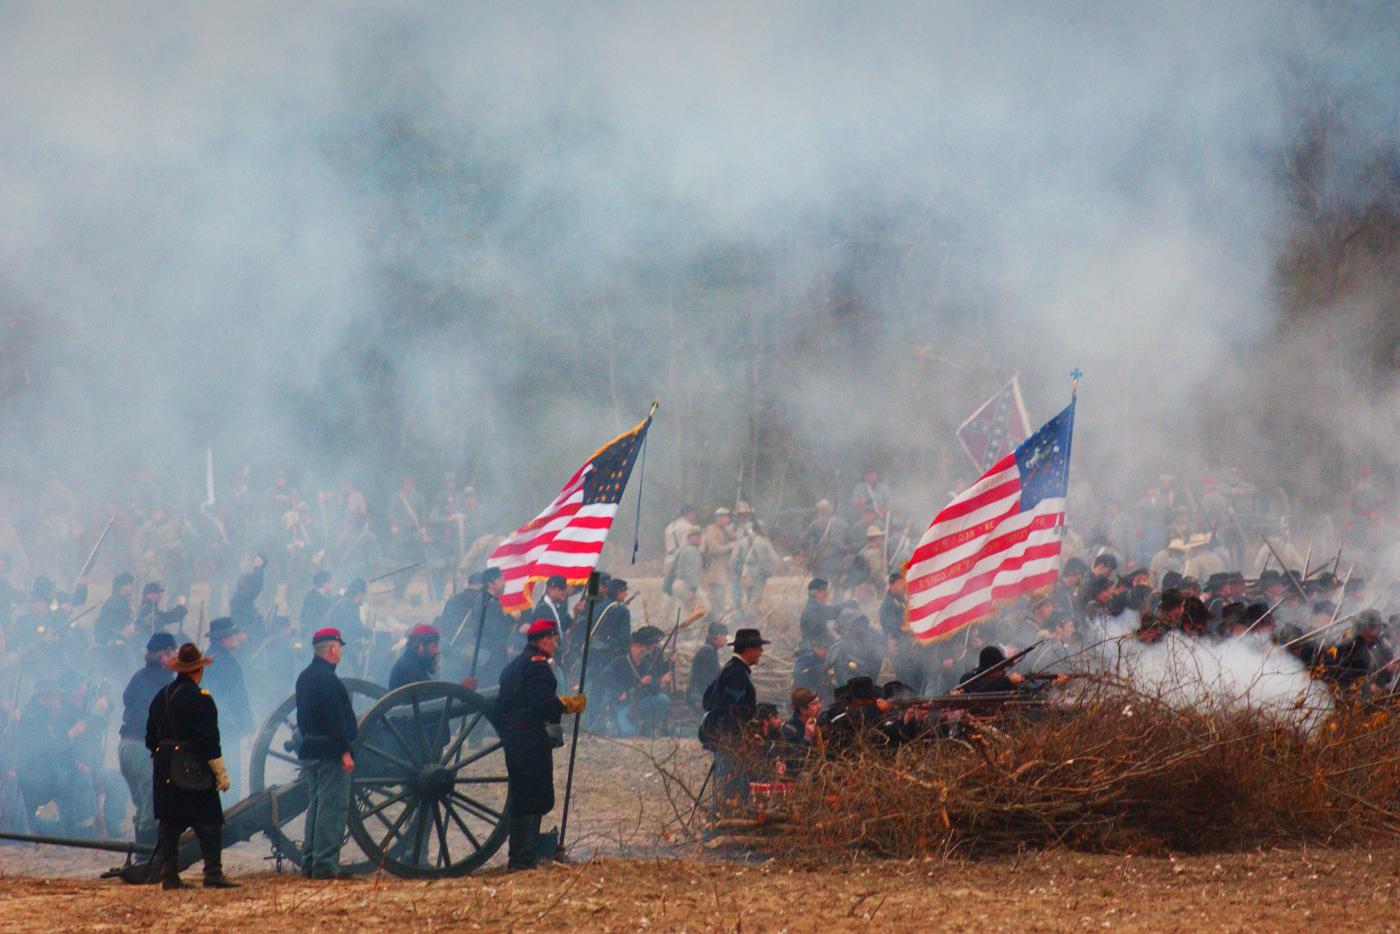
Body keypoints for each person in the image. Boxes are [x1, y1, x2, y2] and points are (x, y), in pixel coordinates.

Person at [145, 643, 237, 889]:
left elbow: (150, 739)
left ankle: (170, 876)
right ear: (199, 670)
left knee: (170, 824)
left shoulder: (161, 696)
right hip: (194, 766)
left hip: (164, 766)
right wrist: (220, 773)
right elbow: (210, 741)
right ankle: (213, 873)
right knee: (209, 822)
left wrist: (163, 755)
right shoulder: (201, 699)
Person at [497, 618, 586, 871]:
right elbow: (540, 706)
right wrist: (567, 705)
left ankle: (519, 856)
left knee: (521, 795)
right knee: (535, 796)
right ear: (543, 640)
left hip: (514, 739)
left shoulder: (515, 665)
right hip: (532, 739)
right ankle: (525, 858)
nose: (557, 643)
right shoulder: (538, 667)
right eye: (554, 638)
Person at [294, 627, 358, 879]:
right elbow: (335, 720)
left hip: (311, 747)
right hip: (331, 751)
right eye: (339, 647)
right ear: (332, 648)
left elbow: (303, 718)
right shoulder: (328, 679)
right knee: (331, 809)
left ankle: (309, 862)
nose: (340, 651)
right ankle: (325, 866)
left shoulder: (305, 676)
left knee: (317, 806)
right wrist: (344, 751)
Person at [119, 632, 176, 845]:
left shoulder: (139, 676)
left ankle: (145, 854)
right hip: (144, 749)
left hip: (126, 746)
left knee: (143, 804)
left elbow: (127, 699)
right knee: (152, 805)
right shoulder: (165, 681)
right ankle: (147, 857)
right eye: (174, 653)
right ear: (164, 654)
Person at [702, 627, 768, 810]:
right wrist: (737, 739)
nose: (761, 652)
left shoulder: (731, 669)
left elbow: (709, 698)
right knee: (729, 789)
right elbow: (734, 713)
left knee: (727, 786)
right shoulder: (736, 674)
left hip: (724, 738)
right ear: (747, 649)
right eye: (758, 648)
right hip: (729, 741)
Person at [201, 617, 253, 801]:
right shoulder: (228, 664)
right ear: (224, 638)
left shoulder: (205, 660)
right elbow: (238, 701)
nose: (236, 638)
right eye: (233, 635)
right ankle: (228, 815)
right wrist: (249, 729)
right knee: (228, 775)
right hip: (226, 728)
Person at [601, 626, 672, 737]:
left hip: (640, 704)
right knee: (628, 733)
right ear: (632, 646)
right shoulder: (620, 662)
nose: (642, 649)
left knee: (662, 699)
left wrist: (654, 682)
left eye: (643, 646)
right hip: (623, 706)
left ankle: (647, 728)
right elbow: (605, 677)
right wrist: (619, 691)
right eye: (639, 646)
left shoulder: (645, 664)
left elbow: (653, 689)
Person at [799, 578, 853, 648]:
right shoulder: (812, 610)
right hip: (812, 653)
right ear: (817, 592)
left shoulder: (814, 608)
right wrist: (849, 604)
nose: (827, 595)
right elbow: (833, 612)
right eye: (824, 591)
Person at [686, 621, 727, 709]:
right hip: (699, 694)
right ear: (718, 637)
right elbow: (708, 678)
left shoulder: (711, 650)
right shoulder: (708, 652)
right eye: (725, 636)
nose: (726, 639)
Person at [388, 624, 442, 689]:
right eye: (434, 646)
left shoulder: (411, 663)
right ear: (420, 646)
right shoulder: (410, 670)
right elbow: (433, 697)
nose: (438, 651)